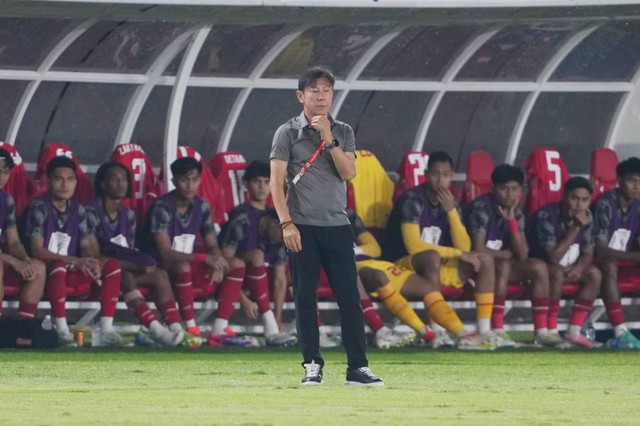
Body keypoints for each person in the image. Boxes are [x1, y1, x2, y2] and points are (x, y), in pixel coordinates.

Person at [270, 65, 383, 386]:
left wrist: (328, 138)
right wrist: (286, 223)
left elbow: (349, 173)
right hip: (301, 226)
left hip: (337, 225)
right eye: (314, 91)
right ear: (300, 96)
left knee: (349, 297)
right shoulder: (286, 132)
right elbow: (275, 183)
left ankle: (357, 368)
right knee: (305, 297)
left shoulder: (343, 131)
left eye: (327, 91)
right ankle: (312, 364)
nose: (321, 96)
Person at [381, 151, 498, 350]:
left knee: (484, 260)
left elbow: (465, 248)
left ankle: (483, 331)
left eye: (445, 175)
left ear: (452, 176)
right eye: (435, 174)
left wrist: (451, 212)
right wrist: (459, 255)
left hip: (435, 266)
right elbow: (413, 246)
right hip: (401, 266)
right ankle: (436, 329)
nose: (440, 180)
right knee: (431, 257)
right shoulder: (413, 200)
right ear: (426, 175)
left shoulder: (451, 203)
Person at [141, 157, 247, 347]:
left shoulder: (202, 205)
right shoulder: (162, 207)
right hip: (161, 266)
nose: (190, 185)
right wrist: (204, 258)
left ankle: (218, 329)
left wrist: (217, 261)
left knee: (237, 264)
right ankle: (191, 327)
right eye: (184, 179)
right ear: (173, 181)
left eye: (195, 179)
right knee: (182, 265)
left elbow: (211, 243)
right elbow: (165, 252)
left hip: (190, 262)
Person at [21, 156, 124, 346]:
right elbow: (36, 250)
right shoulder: (38, 207)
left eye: (70, 179)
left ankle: (107, 329)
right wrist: (75, 261)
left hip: (71, 268)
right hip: (47, 272)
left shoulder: (79, 209)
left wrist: (91, 262)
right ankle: (61, 328)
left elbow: (86, 246)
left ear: (76, 182)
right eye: (59, 179)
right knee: (59, 265)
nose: (65, 184)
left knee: (111, 265)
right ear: (48, 181)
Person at [85, 162, 185, 347]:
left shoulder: (128, 214)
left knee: (160, 275)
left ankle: (176, 328)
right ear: (102, 184)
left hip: (123, 268)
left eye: (124, 179)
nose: (121, 183)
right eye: (114, 179)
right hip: (99, 272)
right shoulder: (91, 211)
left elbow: (129, 251)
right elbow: (95, 255)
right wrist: (134, 264)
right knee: (124, 274)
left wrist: (136, 262)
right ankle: (157, 330)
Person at [350, 208, 475, 348]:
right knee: (378, 276)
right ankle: (422, 333)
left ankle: (461, 334)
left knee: (429, 288)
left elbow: (375, 249)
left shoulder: (349, 216)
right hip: (349, 266)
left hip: (376, 263)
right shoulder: (322, 224)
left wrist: (348, 250)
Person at [464, 163, 558, 347]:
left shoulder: (516, 212)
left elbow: (522, 254)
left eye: (515, 189)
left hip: (499, 264)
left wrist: (512, 220)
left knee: (538, 267)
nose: (510, 194)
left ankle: (541, 331)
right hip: (475, 267)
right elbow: (478, 249)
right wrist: (507, 254)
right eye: (504, 189)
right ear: (493, 189)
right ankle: (498, 329)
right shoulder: (481, 207)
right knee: (503, 264)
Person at [219, 160, 296, 347]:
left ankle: (278, 328)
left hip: (263, 286)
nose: (262, 187)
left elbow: (279, 278)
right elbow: (223, 264)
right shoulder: (241, 218)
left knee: (299, 270)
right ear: (246, 184)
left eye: (266, 182)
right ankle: (270, 328)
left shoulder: (279, 221)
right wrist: (242, 299)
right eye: (257, 181)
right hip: (236, 283)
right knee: (256, 256)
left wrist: (278, 317)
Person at [526, 177, 601, 348]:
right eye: (574, 198)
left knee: (594, 273)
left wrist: (579, 267)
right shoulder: (546, 215)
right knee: (556, 271)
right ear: (564, 197)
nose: (579, 205)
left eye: (585, 200)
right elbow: (553, 257)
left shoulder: (588, 216)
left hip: (569, 267)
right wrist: (575, 227)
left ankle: (573, 331)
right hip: (542, 270)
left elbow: (588, 252)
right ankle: (549, 330)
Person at [592, 157, 640, 349]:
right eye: (632, 181)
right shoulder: (604, 204)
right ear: (619, 181)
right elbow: (601, 250)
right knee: (609, 264)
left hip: (624, 260)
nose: (637, 186)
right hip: (597, 260)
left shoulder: (638, 206)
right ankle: (620, 331)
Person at [0, 148, 46, 321]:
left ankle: (23, 327)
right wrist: (13, 261)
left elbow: (13, 242)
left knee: (38, 268)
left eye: (5, 172)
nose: (2, 177)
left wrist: (25, 260)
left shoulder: (6, 200)